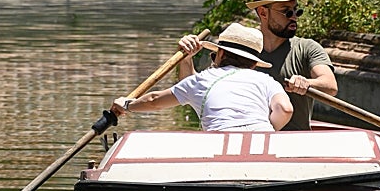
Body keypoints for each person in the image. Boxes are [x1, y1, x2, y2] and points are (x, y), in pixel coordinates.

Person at [111, 23, 293, 132]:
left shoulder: (203, 79)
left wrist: (127, 104)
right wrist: (265, 131)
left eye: (213, 57)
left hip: (217, 144)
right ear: (254, 63)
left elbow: (154, 100)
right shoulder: (266, 80)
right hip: (264, 144)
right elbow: (285, 109)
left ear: (220, 53)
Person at [247, 0, 338, 130]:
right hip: (250, 143)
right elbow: (207, 85)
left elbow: (330, 86)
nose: (294, 17)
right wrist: (187, 58)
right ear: (263, 12)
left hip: (294, 145)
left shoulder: (307, 48)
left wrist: (307, 83)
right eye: (286, 12)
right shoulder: (241, 50)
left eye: (296, 11)